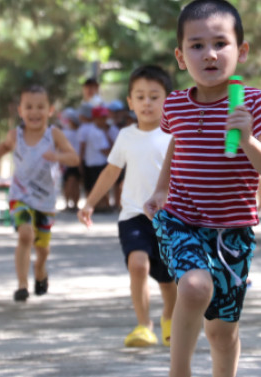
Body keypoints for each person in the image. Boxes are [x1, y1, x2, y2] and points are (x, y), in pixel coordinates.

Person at [144, 0, 261, 377]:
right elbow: (178, 145)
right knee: (193, 287)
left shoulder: (255, 102)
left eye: (220, 43)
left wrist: (247, 140)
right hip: (181, 219)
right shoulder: (174, 105)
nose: (209, 54)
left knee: (222, 333)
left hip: (232, 234)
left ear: (241, 51)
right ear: (180, 56)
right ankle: (180, 372)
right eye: (197, 45)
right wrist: (161, 190)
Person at [78, 65, 177, 348]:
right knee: (137, 264)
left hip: (170, 218)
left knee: (169, 279)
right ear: (130, 102)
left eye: (154, 96)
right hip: (134, 215)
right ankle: (143, 325)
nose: (147, 102)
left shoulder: (176, 136)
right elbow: (110, 172)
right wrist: (89, 203)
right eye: (140, 96)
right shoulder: (126, 136)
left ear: (168, 101)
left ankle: (169, 319)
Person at [0, 86, 80, 302]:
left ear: (50, 110)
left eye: (40, 107)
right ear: (20, 111)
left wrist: (57, 156)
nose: (34, 112)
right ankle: (22, 285)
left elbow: (74, 158)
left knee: (42, 249)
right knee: (25, 235)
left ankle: (40, 270)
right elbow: (2, 148)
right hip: (20, 196)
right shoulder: (15, 135)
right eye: (29, 107)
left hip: (46, 201)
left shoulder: (54, 135)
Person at [79, 105, 113, 211]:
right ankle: (100, 206)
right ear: (95, 118)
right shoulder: (96, 132)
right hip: (96, 164)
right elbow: (105, 151)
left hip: (95, 163)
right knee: (99, 186)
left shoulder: (99, 130)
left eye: (104, 117)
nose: (104, 120)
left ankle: (101, 206)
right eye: (101, 118)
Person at [59, 107, 82, 211]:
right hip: (69, 162)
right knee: (70, 183)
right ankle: (69, 204)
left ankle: (73, 204)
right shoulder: (64, 133)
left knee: (74, 183)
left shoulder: (77, 132)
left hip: (74, 162)